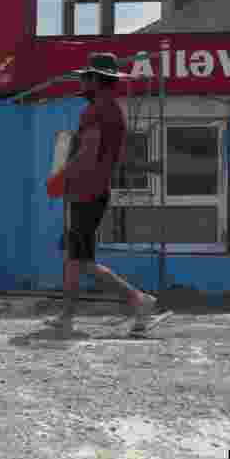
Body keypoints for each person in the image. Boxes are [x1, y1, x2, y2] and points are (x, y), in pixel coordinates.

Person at [46, 52, 158, 337]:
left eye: (85, 77)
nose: (81, 83)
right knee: (74, 258)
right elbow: (108, 157)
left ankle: (138, 299)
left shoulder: (97, 111)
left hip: (86, 193)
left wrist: (60, 177)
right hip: (92, 192)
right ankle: (67, 317)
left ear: (96, 80)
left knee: (81, 261)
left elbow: (88, 153)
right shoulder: (112, 110)